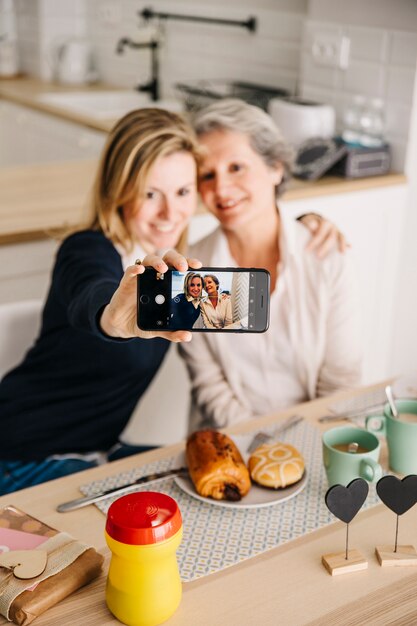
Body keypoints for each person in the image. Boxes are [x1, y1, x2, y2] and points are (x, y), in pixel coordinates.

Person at [0, 106, 346, 495]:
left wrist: (304, 224)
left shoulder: (177, 275)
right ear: (119, 191)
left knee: (211, 484)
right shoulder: (86, 250)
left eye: (182, 192)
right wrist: (112, 319)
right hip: (22, 453)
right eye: (150, 194)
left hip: (94, 451)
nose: (170, 213)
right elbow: (90, 294)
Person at [179, 99, 362, 432]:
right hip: (230, 442)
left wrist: (304, 445)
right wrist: (265, 449)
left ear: (276, 167)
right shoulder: (193, 271)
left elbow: (341, 379)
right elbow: (211, 388)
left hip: (319, 435)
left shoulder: (325, 255)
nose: (220, 188)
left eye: (236, 167)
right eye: (207, 175)